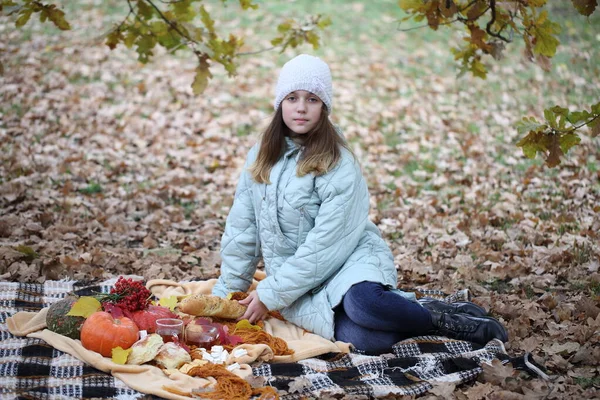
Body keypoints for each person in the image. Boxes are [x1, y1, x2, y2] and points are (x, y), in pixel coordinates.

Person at [212, 54, 508, 354]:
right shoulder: (261, 155)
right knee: (370, 341)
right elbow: (243, 232)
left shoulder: (337, 161)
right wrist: (224, 299)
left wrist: (271, 294)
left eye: (312, 99)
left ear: (324, 106)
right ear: (280, 103)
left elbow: (326, 246)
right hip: (300, 286)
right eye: (292, 97)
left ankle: (442, 320)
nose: (301, 107)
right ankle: (411, 308)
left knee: (363, 304)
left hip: (347, 261)